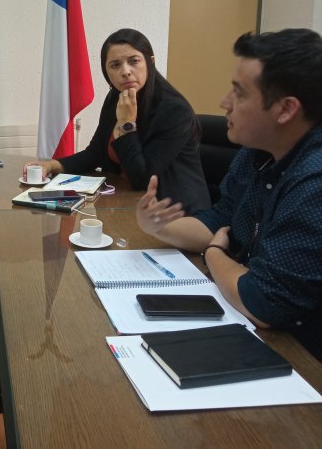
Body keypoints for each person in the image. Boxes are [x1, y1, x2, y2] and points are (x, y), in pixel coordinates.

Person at [136, 28, 322, 360]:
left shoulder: (314, 182)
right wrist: (156, 227)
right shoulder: (259, 152)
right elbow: (221, 220)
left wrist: (214, 255)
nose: (224, 102)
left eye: (239, 92)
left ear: (285, 109)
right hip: (253, 329)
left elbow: (265, 303)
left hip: (301, 361)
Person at [26, 28, 210, 214]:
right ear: (106, 72)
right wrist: (51, 165)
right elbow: (95, 153)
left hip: (175, 214)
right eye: (115, 65)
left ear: (150, 62)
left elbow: (142, 179)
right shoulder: (116, 98)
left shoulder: (174, 110)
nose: (126, 72)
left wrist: (126, 124)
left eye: (134, 61)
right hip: (127, 203)